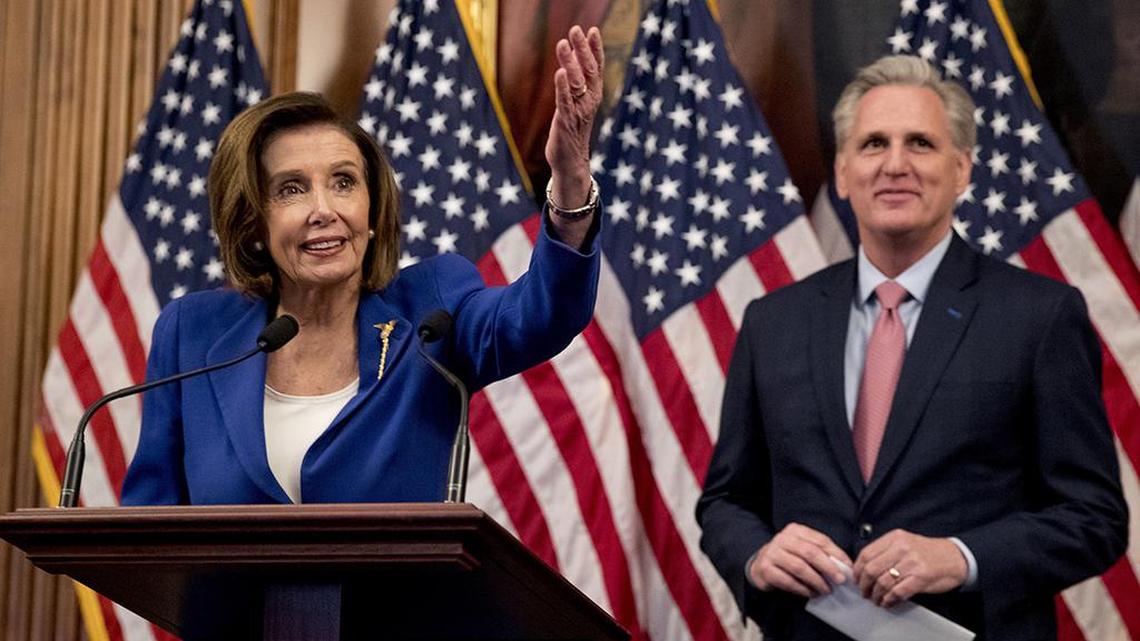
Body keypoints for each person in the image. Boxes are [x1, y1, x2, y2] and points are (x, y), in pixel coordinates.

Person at [696, 55, 1128, 640]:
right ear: (843, 172)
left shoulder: (1040, 316)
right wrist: (757, 555)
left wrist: (961, 557)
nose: (895, 165)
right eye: (873, 143)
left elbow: (1095, 518)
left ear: (962, 169)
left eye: (920, 143)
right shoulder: (773, 322)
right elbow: (725, 501)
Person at [121, 26, 605, 505]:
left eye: (344, 182)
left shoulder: (432, 310)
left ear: (372, 213)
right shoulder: (193, 334)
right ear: (252, 223)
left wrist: (570, 184)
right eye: (291, 189)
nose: (324, 209)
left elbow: (542, 315)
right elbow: (147, 524)